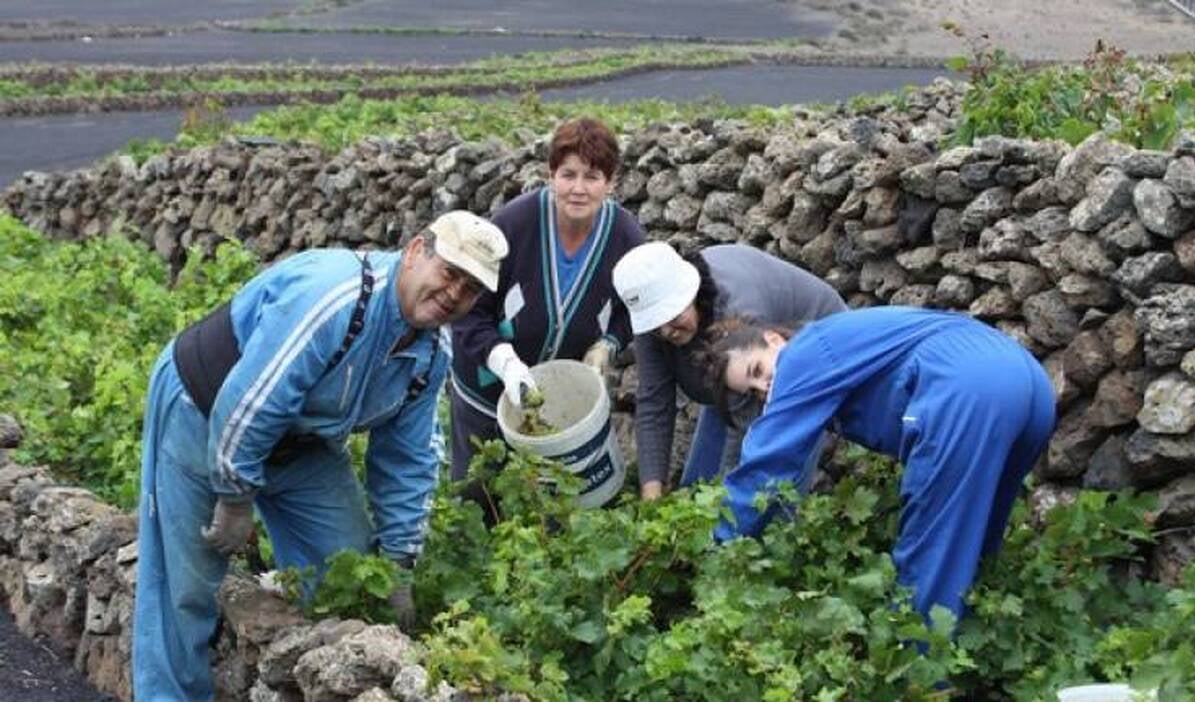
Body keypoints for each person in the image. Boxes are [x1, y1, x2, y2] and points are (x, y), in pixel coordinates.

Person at [132, 210, 509, 700]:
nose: (454, 294)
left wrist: (398, 563)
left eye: (471, 288)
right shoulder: (336, 298)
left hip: (303, 438)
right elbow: (252, 400)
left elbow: (409, 459)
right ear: (417, 251)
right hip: (203, 405)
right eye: (450, 273)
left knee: (349, 573)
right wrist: (234, 497)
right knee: (185, 585)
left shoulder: (431, 354)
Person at [708, 306, 1056, 621]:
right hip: (1028, 383)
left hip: (966, 387)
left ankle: (919, 679)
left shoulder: (802, 355)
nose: (765, 386)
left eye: (757, 369)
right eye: (753, 391)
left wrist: (715, 548)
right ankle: (980, 646)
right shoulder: (835, 349)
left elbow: (768, 464)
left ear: (774, 339)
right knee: (977, 538)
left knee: (931, 552)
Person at [449, 117, 645, 495]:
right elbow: (468, 310)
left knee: (547, 505)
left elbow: (635, 306)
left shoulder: (625, 236)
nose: (578, 189)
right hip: (486, 391)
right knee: (477, 496)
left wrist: (610, 343)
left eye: (592, 177)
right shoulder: (513, 224)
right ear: (550, 174)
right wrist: (504, 363)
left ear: (611, 183)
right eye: (568, 175)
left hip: (556, 404)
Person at [612, 241, 846, 500]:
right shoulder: (652, 316)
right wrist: (651, 494)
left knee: (769, 488)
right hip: (733, 374)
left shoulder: (737, 310)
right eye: (657, 327)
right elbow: (654, 400)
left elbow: (746, 429)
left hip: (810, 350)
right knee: (699, 488)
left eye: (673, 319)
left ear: (692, 294)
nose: (667, 332)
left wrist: (728, 505)